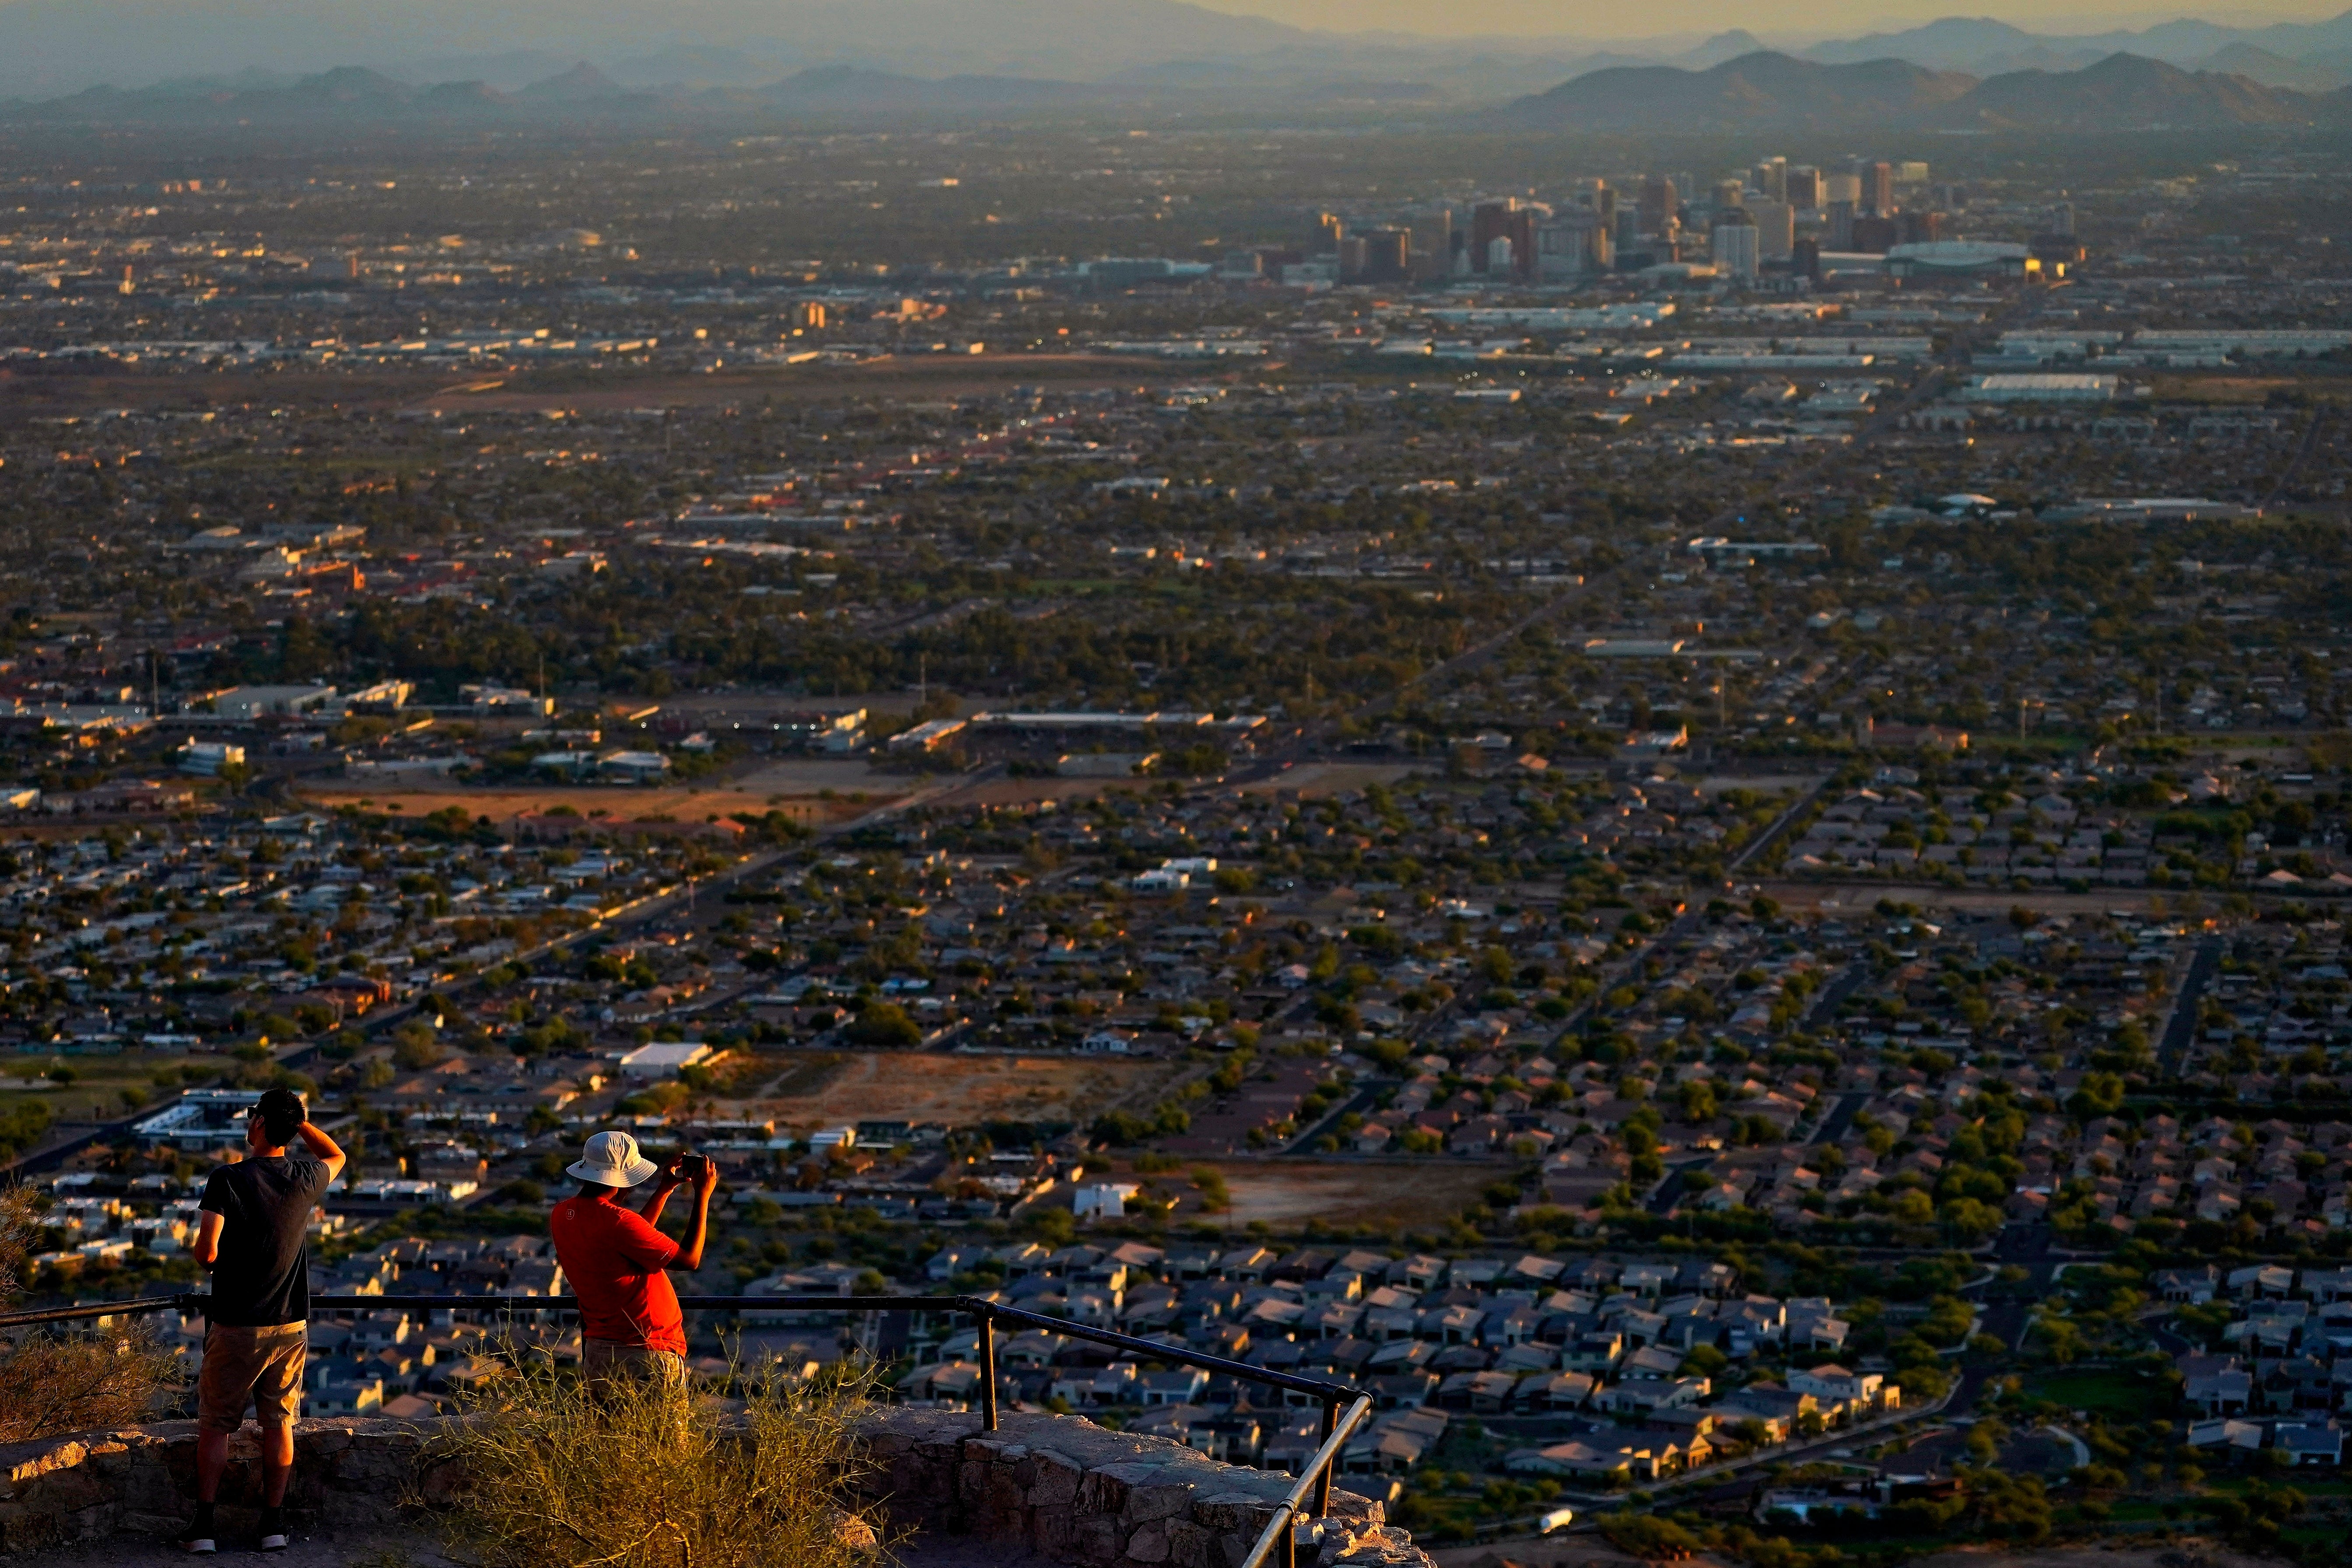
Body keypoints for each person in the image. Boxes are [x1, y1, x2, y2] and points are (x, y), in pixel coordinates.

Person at [179, 1088, 345, 1555]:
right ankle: (272, 1525)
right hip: (289, 1323)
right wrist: (301, 1123)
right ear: (290, 1130)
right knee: (279, 1423)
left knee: (216, 1425)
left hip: (236, 1322)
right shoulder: (306, 1176)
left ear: (256, 1124)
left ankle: (204, 1526)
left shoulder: (226, 1178)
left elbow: (207, 1251)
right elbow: (336, 1153)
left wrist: (219, 1258)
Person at [548, 1130, 717, 1389]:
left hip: (601, 1349)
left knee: (611, 1430)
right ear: (622, 1177)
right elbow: (689, 1260)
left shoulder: (562, 1214)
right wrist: (702, 1196)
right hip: (645, 1351)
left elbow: (632, 1241)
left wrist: (664, 1190)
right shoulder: (618, 1221)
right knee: (662, 1431)